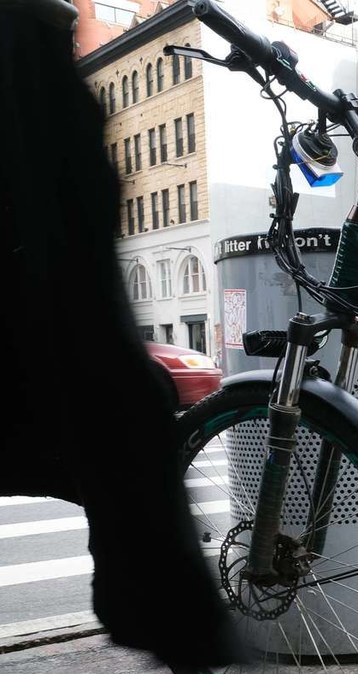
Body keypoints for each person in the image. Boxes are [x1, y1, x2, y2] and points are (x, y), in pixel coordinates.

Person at [0, 1, 244, 669]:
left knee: (112, 408)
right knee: (116, 405)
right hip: (28, 64)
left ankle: (174, 618)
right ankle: (179, 624)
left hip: (34, 61)